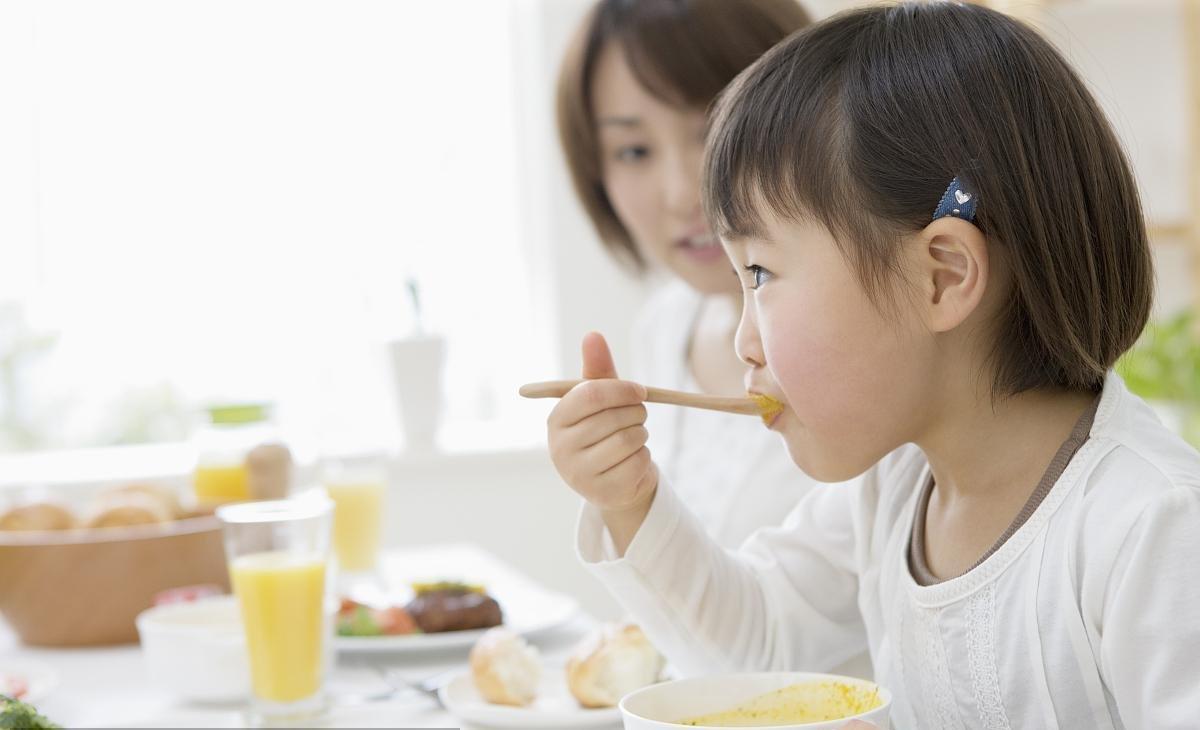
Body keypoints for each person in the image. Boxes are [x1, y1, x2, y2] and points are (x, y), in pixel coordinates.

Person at [546, 3, 1200, 728]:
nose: (744, 344)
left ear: (942, 278)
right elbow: (754, 650)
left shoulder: (1154, 528)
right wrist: (630, 498)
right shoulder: (894, 489)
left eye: (759, 273)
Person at [555, 0, 820, 549]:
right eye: (633, 150)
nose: (682, 193)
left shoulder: (871, 333)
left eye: (711, 130)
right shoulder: (665, 326)